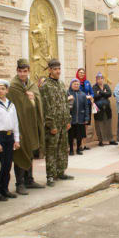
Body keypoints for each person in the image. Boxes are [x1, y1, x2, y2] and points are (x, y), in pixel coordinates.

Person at [7, 59, 45, 195]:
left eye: (25, 71)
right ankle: (20, 183)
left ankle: (29, 179)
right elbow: (10, 108)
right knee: (20, 153)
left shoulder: (32, 85)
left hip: (32, 125)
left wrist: (34, 97)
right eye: (20, 71)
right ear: (17, 71)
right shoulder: (13, 87)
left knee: (30, 152)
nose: (23, 74)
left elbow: (39, 102)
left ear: (28, 71)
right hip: (19, 126)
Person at [40, 59, 73, 187]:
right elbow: (46, 107)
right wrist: (51, 125)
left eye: (59, 69)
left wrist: (68, 120)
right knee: (51, 150)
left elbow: (65, 103)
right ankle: (50, 176)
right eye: (55, 69)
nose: (58, 71)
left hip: (63, 124)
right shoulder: (45, 86)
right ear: (50, 70)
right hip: (53, 125)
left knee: (63, 149)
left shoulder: (61, 84)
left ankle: (60, 171)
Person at [0, 79, 20, 202]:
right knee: (0, 166)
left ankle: (5, 189)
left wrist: (16, 139)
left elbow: (15, 123)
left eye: (3, 89)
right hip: (0, 136)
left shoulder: (11, 105)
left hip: (9, 136)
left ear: (7, 90)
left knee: (8, 164)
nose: (0, 91)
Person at [92, 72, 116, 146]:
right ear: (96, 80)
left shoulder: (106, 85)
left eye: (101, 78)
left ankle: (110, 140)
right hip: (98, 109)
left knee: (108, 123)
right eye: (98, 79)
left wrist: (100, 92)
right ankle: (100, 141)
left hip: (107, 108)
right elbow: (95, 95)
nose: (100, 80)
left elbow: (109, 94)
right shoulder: (94, 87)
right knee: (99, 124)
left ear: (103, 79)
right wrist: (103, 93)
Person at [67, 79, 90, 156]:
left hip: (80, 118)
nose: (76, 85)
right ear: (71, 85)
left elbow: (86, 107)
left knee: (79, 135)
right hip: (71, 119)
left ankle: (78, 149)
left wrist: (86, 118)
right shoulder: (68, 93)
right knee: (71, 135)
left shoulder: (83, 94)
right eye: (74, 84)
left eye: (77, 84)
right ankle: (71, 149)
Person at [76, 68, 94, 150]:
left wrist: (91, 96)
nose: (82, 74)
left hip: (88, 105)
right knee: (80, 125)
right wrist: (85, 96)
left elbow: (92, 92)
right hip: (79, 105)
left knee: (86, 125)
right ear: (77, 73)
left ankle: (84, 144)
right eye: (80, 72)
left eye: (83, 73)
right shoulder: (75, 82)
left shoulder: (87, 82)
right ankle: (79, 144)